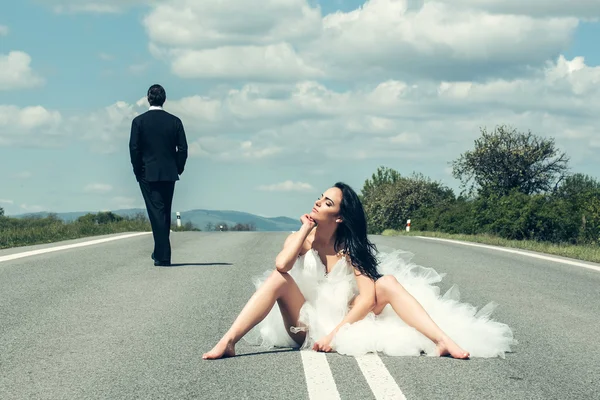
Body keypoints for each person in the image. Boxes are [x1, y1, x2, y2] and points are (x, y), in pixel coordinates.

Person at [203, 182, 516, 360]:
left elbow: (367, 299)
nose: (317, 203)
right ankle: (229, 341)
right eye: (319, 199)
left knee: (389, 282)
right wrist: (303, 230)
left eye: (326, 203)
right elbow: (281, 265)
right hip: (305, 322)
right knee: (277, 278)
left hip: (344, 323)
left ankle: (442, 340)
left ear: (339, 217)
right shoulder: (301, 239)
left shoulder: (350, 248)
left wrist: (335, 335)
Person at [129, 84, 188, 267]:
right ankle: (160, 252)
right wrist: (177, 168)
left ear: (148, 98)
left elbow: (134, 149)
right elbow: (183, 149)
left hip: (148, 172)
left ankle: (163, 255)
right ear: (164, 99)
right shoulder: (175, 121)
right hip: (169, 172)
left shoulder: (138, 122)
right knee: (164, 212)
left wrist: (138, 170)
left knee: (156, 213)